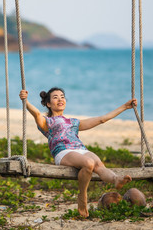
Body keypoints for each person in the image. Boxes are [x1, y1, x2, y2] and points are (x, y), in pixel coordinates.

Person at [19, 87, 137, 218]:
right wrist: (26, 101)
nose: (60, 99)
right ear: (48, 104)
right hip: (63, 151)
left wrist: (125, 107)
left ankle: (116, 179)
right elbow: (36, 114)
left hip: (80, 149)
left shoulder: (73, 122)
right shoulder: (47, 122)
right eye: (55, 97)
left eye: (62, 96)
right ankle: (82, 195)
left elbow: (101, 119)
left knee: (98, 164)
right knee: (89, 163)